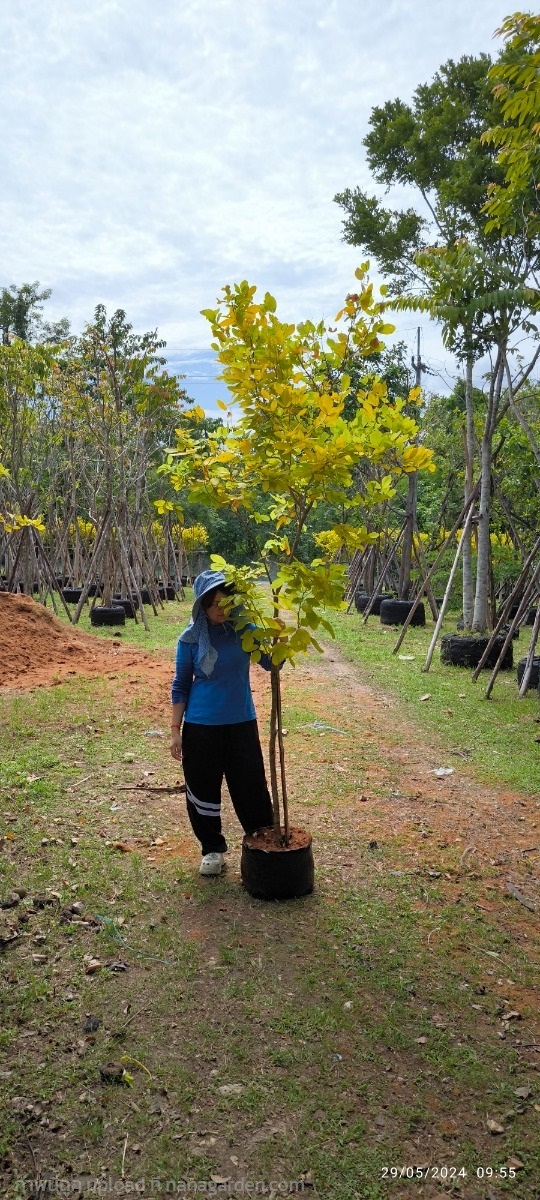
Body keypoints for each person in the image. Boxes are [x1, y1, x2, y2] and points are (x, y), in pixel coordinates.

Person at [170, 569, 274, 876]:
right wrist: (175, 731)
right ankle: (212, 849)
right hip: (201, 726)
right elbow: (180, 685)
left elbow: (271, 662)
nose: (220, 608)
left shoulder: (245, 631)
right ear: (201, 605)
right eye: (213, 602)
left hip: (241, 722)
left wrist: (278, 638)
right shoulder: (190, 639)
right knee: (203, 786)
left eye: (226, 602)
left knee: (251, 785)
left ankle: (261, 840)